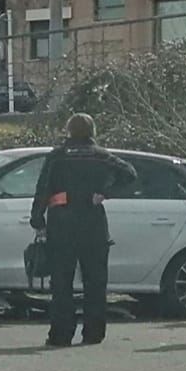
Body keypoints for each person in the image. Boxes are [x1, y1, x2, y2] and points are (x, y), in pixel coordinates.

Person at [31, 113, 136, 347]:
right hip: (93, 223)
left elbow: (43, 189)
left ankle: (61, 334)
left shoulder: (57, 157)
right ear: (92, 132)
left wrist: (37, 220)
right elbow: (129, 173)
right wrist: (106, 192)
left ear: (68, 131)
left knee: (61, 284)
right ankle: (93, 333)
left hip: (62, 224)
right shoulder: (101, 156)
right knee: (95, 283)